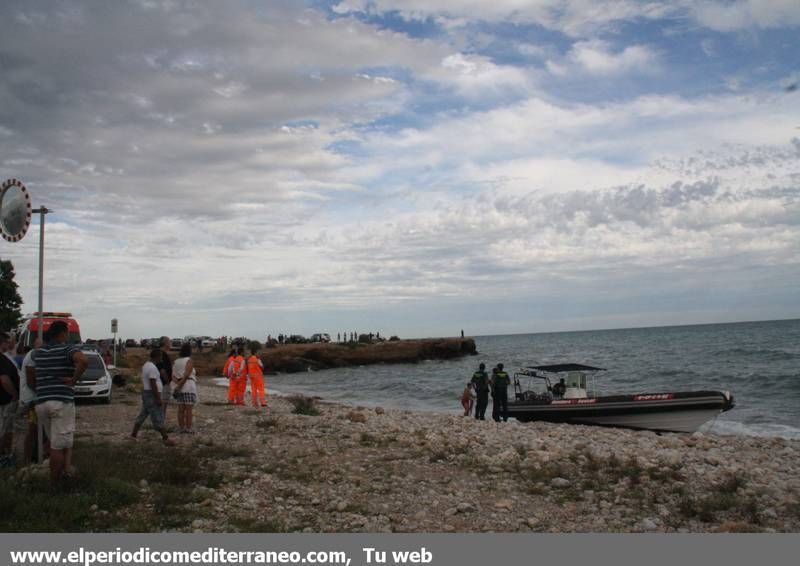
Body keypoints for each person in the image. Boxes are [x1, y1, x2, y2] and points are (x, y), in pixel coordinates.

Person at [31, 321, 88, 486]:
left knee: (55, 441)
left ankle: (63, 473)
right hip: (60, 401)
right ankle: (55, 484)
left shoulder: (38, 352)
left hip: (41, 402)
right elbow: (83, 361)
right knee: (57, 446)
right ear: (63, 333)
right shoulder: (67, 348)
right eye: (67, 332)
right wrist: (74, 379)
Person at [131, 349, 175, 445]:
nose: (162, 359)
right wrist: (158, 398)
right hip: (152, 394)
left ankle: (133, 435)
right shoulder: (152, 368)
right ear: (157, 357)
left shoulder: (146, 365)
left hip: (147, 393)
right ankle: (165, 438)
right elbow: (153, 383)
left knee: (143, 414)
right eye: (161, 357)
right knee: (158, 416)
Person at [16, 339, 41, 466]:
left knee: (35, 431)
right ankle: (26, 461)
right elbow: (31, 382)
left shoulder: (32, 355)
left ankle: (31, 459)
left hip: (31, 399)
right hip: (31, 400)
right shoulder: (32, 356)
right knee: (32, 431)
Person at [0, 332, 20, 467]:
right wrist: (14, 394)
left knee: (6, 429)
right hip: (4, 400)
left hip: (4, 400)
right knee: (3, 429)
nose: (9, 344)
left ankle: (4, 454)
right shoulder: (2, 359)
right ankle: (3, 457)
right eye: (7, 342)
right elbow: (4, 380)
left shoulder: (6, 358)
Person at [172, 342, 197, 434]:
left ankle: (181, 427)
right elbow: (187, 375)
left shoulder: (176, 361)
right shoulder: (189, 360)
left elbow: (173, 376)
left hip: (179, 386)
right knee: (189, 409)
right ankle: (188, 428)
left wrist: (178, 385)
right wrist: (180, 385)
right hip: (188, 386)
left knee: (180, 409)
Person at [156, 337, 172, 421]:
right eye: (169, 342)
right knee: (163, 403)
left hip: (161, 383)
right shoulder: (162, 354)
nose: (171, 343)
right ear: (165, 343)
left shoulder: (160, 353)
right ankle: (160, 421)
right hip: (163, 383)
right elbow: (162, 370)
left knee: (162, 403)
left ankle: (159, 420)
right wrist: (168, 381)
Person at [246, 343, 266, 407]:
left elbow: (247, 368)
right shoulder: (257, 359)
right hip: (258, 376)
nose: (258, 353)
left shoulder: (249, 359)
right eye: (257, 352)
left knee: (253, 390)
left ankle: (254, 403)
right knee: (261, 389)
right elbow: (262, 367)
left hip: (251, 376)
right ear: (255, 352)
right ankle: (263, 402)